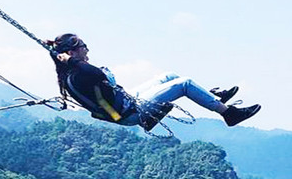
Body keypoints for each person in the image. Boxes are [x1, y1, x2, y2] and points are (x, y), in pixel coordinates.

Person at [48, 33, 261, 131]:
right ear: (72, 52)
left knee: (169, 75)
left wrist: (54, 49)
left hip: (125, 102)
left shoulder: (73, 71)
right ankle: (229, 114)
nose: (87, 49)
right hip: (129, 112)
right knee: (183, 83)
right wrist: (71, 60)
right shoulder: (77, 74)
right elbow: (95, 74)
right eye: (84, 46)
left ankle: (211, 98)